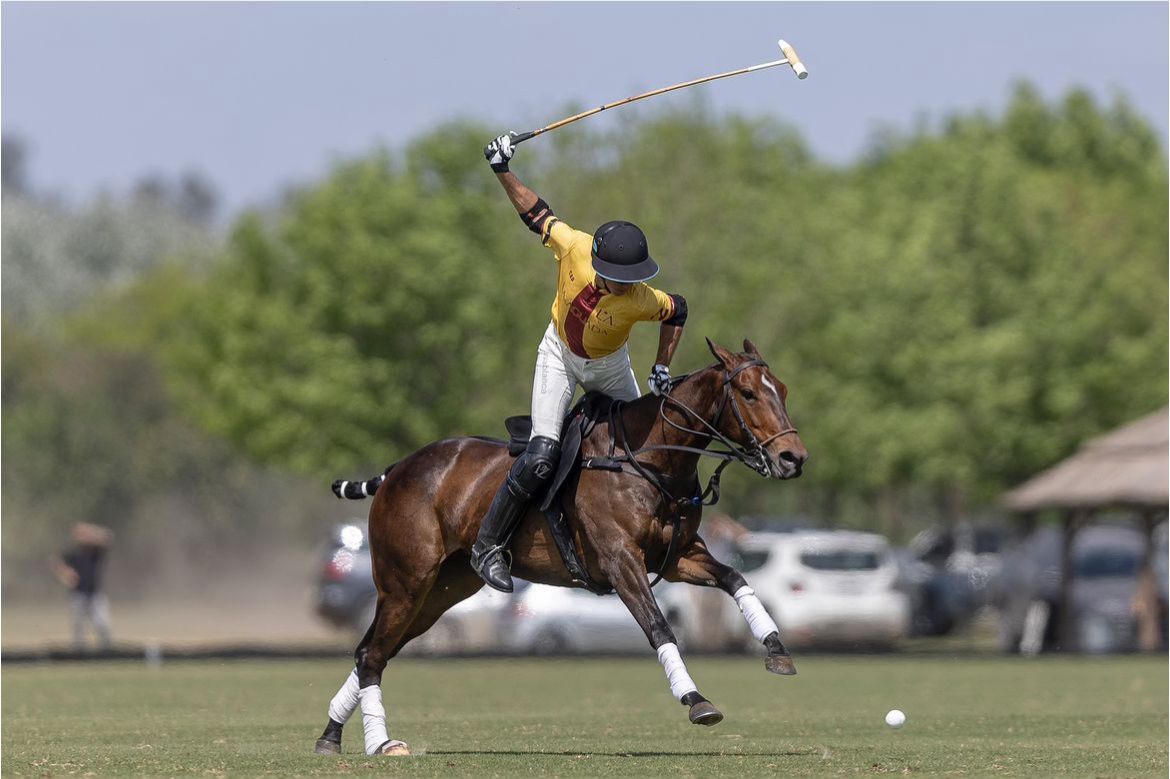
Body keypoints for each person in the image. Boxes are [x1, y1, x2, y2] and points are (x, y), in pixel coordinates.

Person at [470, 131, 689, 592]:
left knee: (645, 448)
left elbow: (678, 310)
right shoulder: (573, 247)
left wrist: (662, 365)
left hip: (609, 367)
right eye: (618, 278)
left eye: (633, 280)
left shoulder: (642, 298)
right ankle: (488, 545)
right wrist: (501, 168)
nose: (626, 287)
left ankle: (654, 537)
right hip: (559, 357)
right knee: (542, 454)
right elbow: (535, 212)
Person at [50, 522, 113, 650]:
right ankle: (79, 651)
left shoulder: (96, 551)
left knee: (101, 623)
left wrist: (92, 532)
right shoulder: (73, 553)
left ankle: (107, 649)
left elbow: (108, 536)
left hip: (95, 593)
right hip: (78, 593)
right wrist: (65, 572)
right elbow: (55, 561)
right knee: (77, 625)